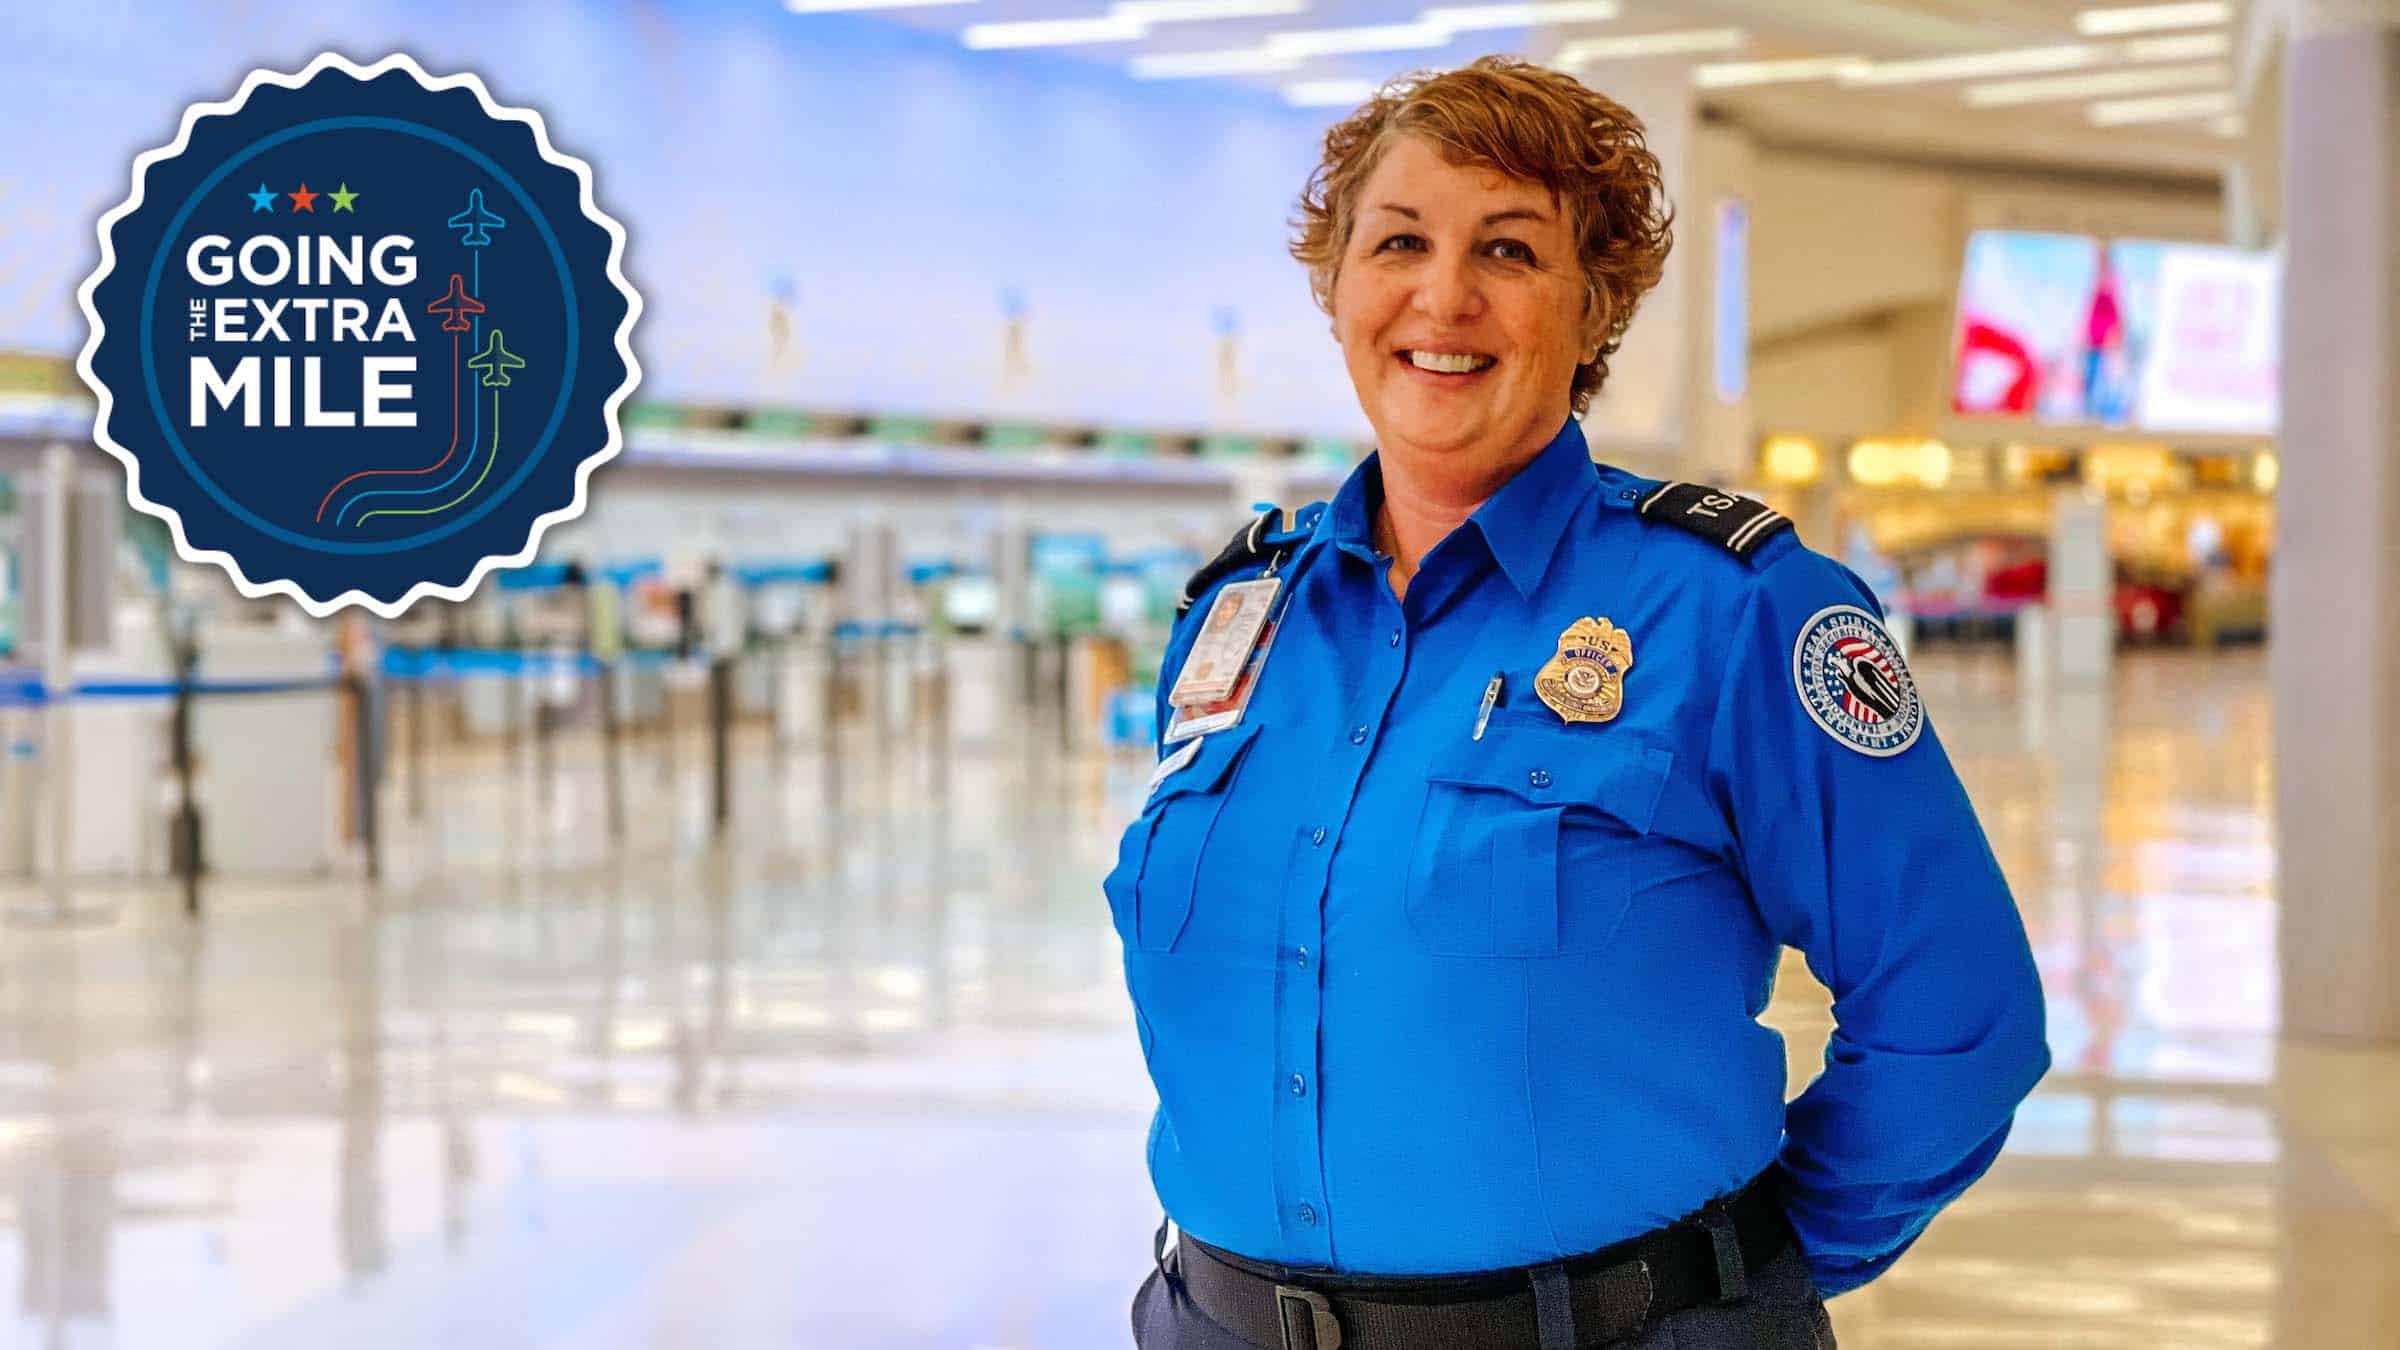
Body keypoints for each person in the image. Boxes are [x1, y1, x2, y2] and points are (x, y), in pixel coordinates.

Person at [1105, 56, 2050, 1350]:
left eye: (1508, 250)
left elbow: (1958, 1015)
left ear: (1596, 308)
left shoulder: (1733, 610)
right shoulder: (1242, 617)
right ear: (1337, 289)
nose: (1445, 295)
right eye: (1399, 242)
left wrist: (1724, 1281)